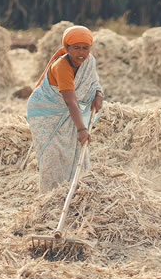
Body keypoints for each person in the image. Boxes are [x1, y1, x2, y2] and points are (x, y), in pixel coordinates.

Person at [27, 25, 104, 191]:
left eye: (86, 48)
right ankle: (51, 195)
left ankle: (75, 188)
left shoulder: (89, 62)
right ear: (66, 48)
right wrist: (82, 129)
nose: (81, 53)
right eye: (76, 48)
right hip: (45, 111)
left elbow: (94, 82)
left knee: (74, 150)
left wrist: (98, 95)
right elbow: (70, 101)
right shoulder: (61, 66)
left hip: (69, 111)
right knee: (52, 153)